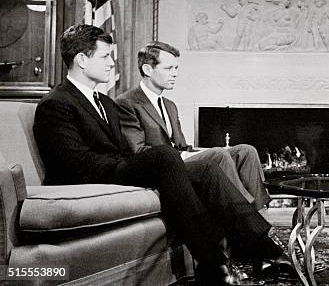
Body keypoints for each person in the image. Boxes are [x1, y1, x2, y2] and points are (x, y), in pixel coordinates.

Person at [33, 25, 291, 285]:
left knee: (205, 169)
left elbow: (121, 150)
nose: (112, 64)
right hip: (92, 176)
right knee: (164, 156)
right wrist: (129, 164)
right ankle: (213, 261)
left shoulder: (106, 103)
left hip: (115, 169)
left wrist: (130, 163)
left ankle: (262, 245)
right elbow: (73, 163)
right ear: (81, 60)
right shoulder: (56, 103)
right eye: (104, 57)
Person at [115, 41, 271, 214]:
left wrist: (193, 152)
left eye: (176, 68)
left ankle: (260, 211)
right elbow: (137, 152)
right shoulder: (126, 103)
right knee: (218, 154)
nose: (175, 74)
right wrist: (189, 154)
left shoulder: (169, 105)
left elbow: (183, 146)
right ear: (147, 70)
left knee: (246, 151)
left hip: (180, 160)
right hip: (161, 168)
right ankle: (247, 215)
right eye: (169, 69)